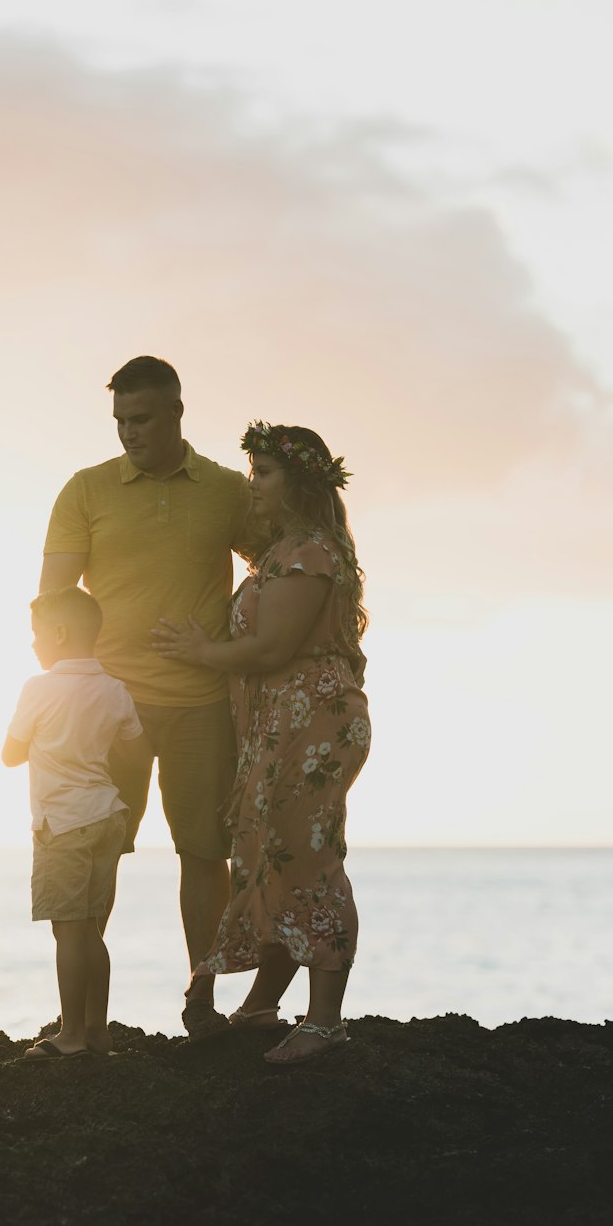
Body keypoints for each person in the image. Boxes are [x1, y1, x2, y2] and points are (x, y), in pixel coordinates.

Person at [39, 356, 252, 1039]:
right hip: (109, 706)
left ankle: (202, 997)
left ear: (176, 413)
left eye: (142, 419)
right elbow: (52, 601)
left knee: (202, 852)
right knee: (96, 851)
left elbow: (278, 563)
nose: (129, 432)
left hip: (200, 702)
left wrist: (238, 641)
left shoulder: (225, 490)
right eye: (120, 421)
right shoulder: (86, 490)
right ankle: (79, 1015)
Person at [152, 421, 371, 1066]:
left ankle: (326, 1022)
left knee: (306, 860)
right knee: (267, 856)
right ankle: (261, 1005)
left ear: (299, 483)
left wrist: (201, 652)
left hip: (313, 721)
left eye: (264, 474)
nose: (253, 486)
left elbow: (273, 648)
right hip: (280, 721)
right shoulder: (283, 552)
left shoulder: (311, 553)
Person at [2, 586, 151, 1059]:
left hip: (62, 824)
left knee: (69, 931)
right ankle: (97, 1031)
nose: (32, 644)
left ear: (60, 634)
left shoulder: (38, 687)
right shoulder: (114, 689)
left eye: (37, 634)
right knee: (89, 930)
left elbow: (9, 756)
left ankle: (70, 1035)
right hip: (108, 817)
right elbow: (137, 751)